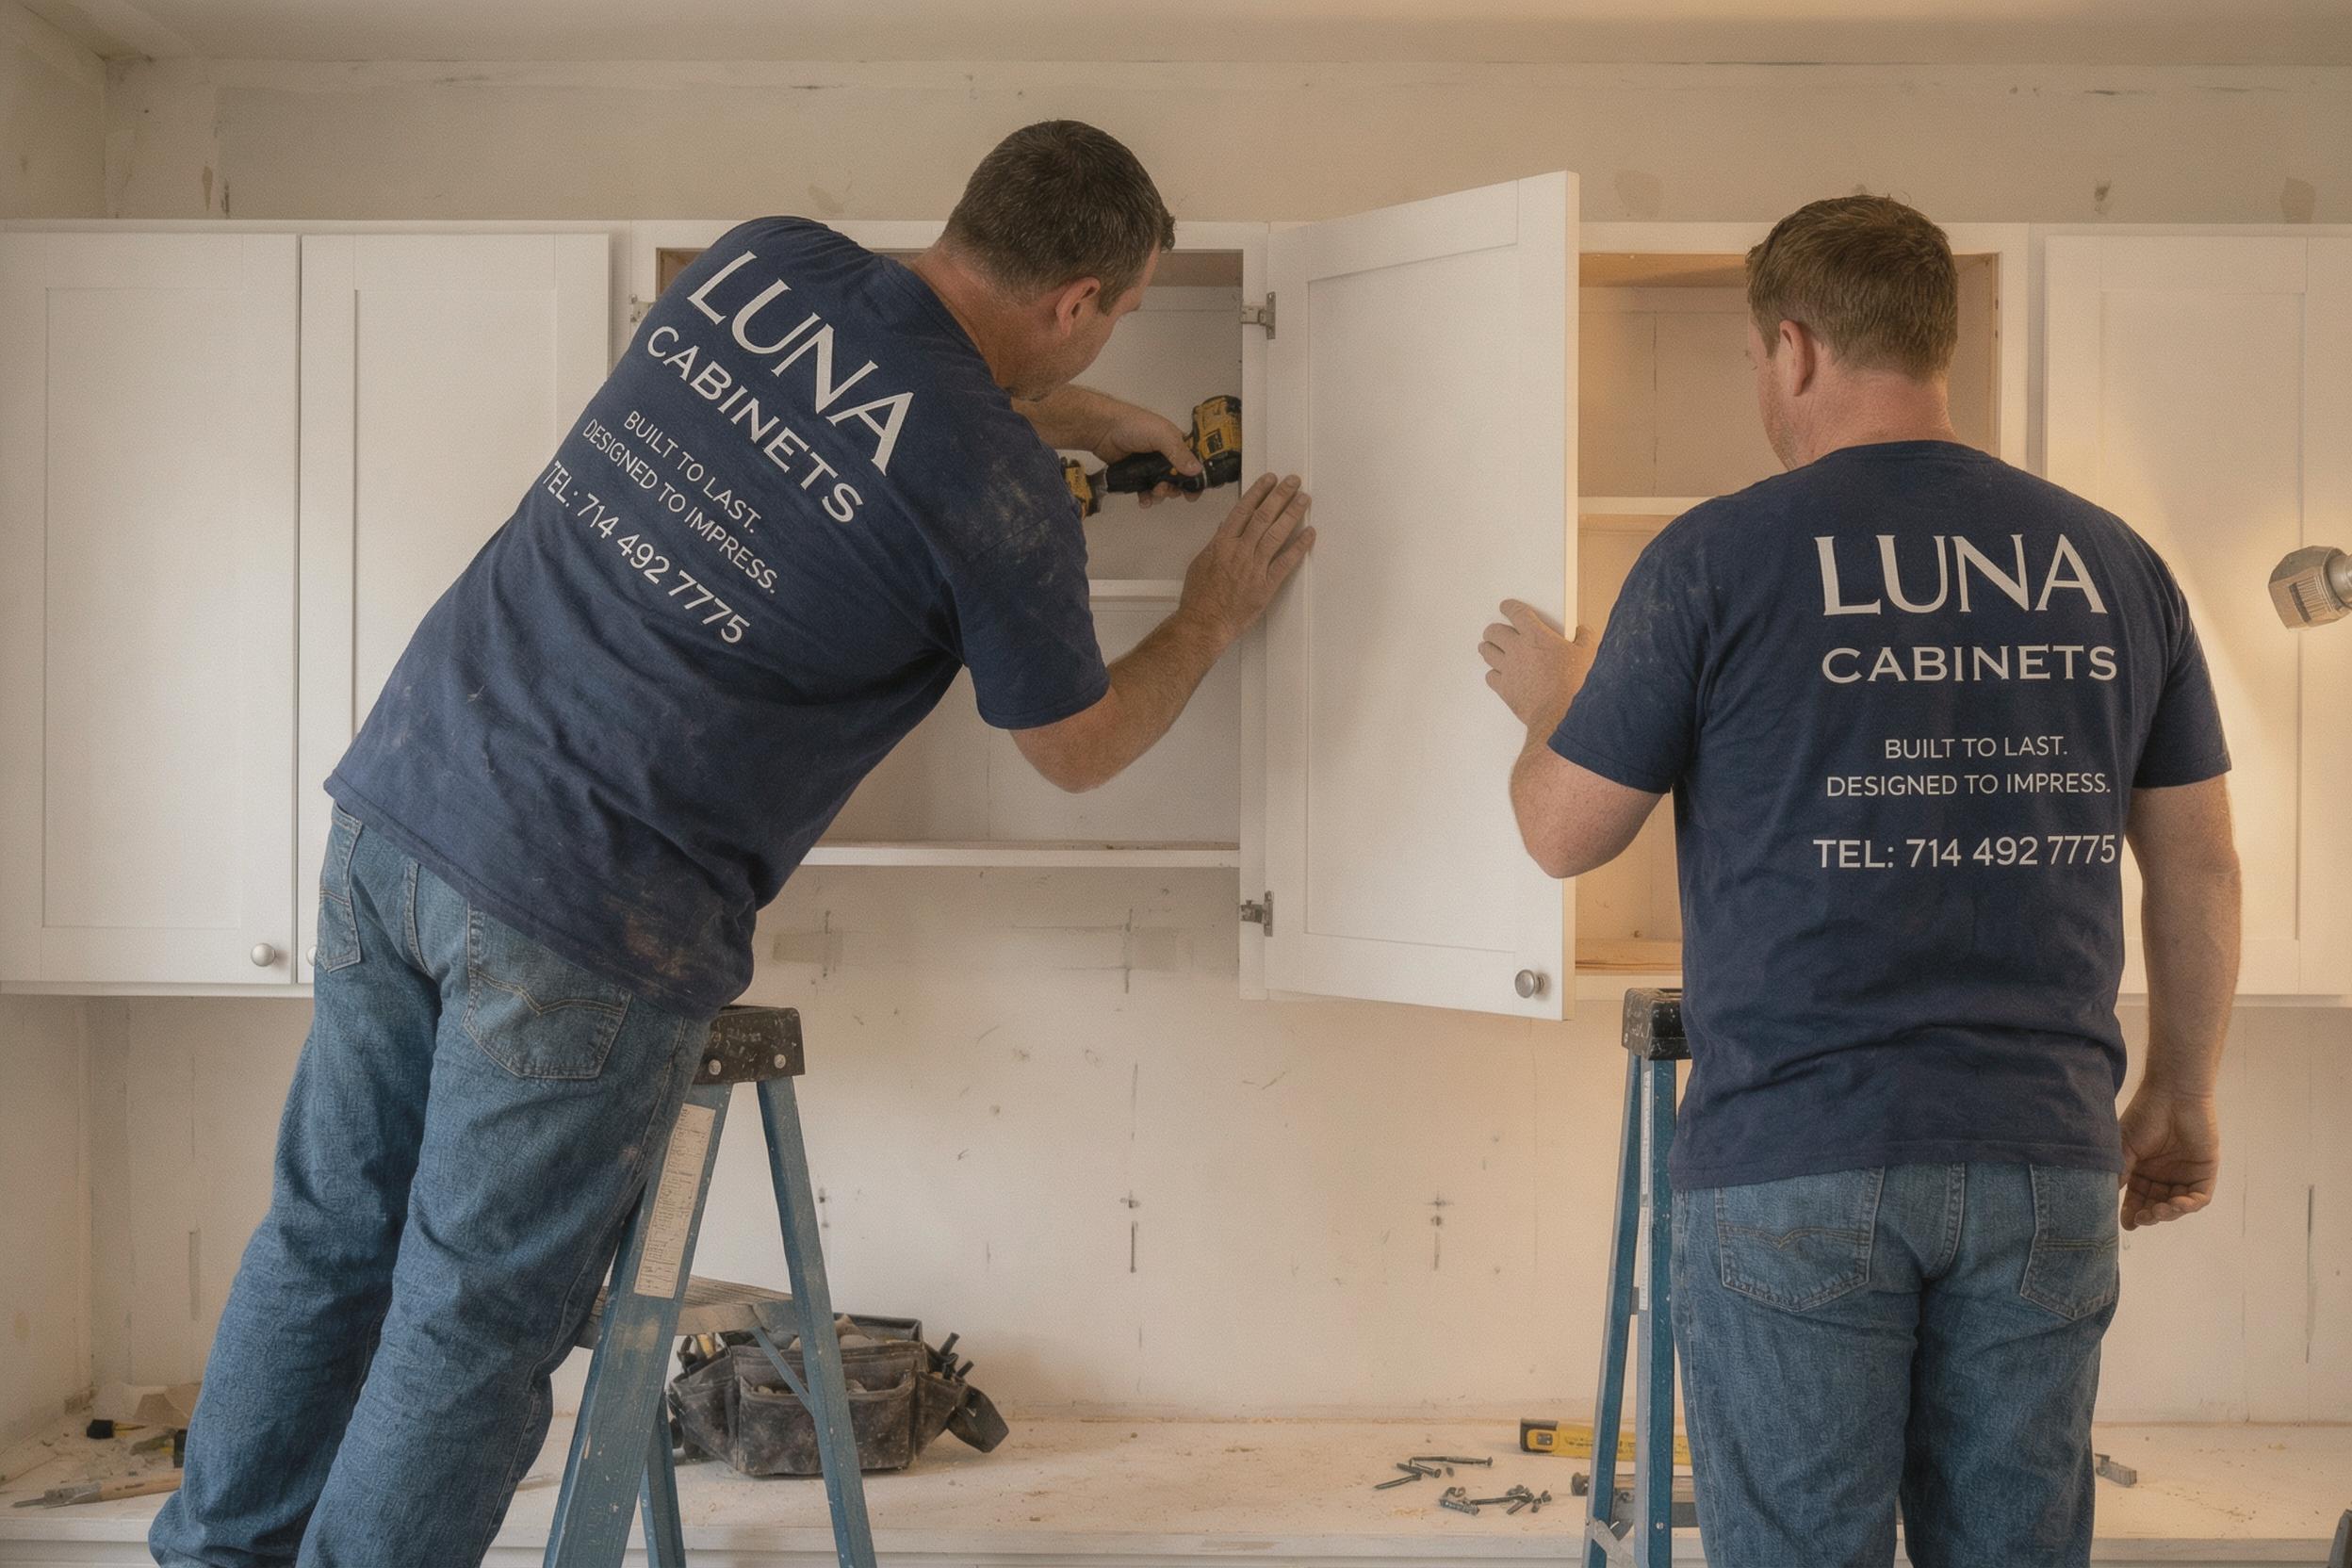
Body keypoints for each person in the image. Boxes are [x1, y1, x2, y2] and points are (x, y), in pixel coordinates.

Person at [153, 121, 1314, 1567]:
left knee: (329, 1239)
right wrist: (1209, 611)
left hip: (404, 800)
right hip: (584, 912)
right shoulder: (998, 498)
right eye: (1119, 313)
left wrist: (1075, 422)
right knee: (471, 1318)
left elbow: (859, 406)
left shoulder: (763, 264)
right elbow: (1073, 748)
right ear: (1077, 301)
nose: (1109, 339)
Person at [1479, 195, 2239, 1567]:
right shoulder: (2113, 565)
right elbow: (2196, 859)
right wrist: (2179, 1093)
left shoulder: (1715, 558)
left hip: (1796, 1157)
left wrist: (1557, 700)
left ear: (1793, 348)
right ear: (1932, 344)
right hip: (2042, 1156)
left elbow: (1561, 832)